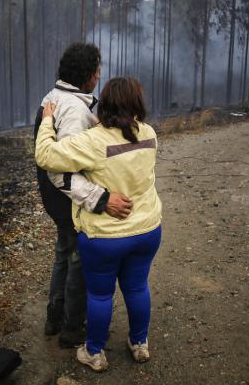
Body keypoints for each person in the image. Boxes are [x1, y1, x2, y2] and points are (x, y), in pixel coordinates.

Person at [36, 77, 162, 372]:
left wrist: (48, 120)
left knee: (101, 295)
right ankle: (140, 343)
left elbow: (45, 156)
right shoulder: (150, 134)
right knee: (137, 287)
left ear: (104, 103)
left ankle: (94, 353)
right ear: (136, 105)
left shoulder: (93, 141)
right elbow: (120, 143)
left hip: (106, 236)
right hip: (147, 231)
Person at [33, 43, 133, 349]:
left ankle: (54, 319)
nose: (100, 75)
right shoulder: (75, 111)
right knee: (79, 263)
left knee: (64, 255)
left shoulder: (54, 97)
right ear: (89, 76)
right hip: (69, 201)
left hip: (54, 200)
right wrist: (102, 199)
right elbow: (60, 171)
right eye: (98, 70)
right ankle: (72, 331)